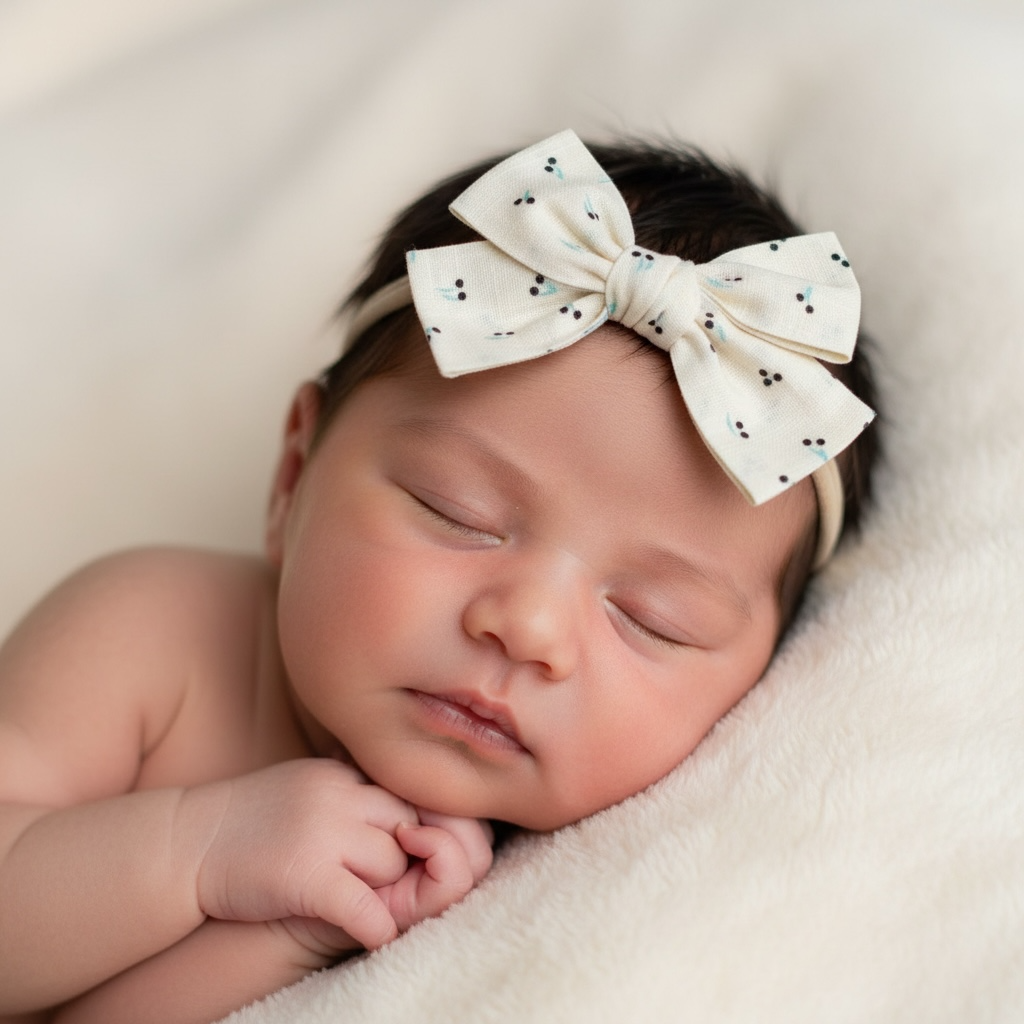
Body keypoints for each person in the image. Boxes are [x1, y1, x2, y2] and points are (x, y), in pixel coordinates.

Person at [0, 130, 878, 1024]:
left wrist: (299, 933)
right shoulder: (153, 635)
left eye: (655, 619)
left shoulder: (585, 899)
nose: (528, 626)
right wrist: (199, 847)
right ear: (295, 472)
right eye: (456, 512)